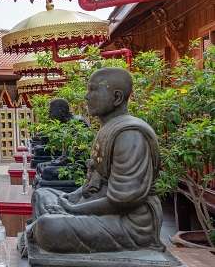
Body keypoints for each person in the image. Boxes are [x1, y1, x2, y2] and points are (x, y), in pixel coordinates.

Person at [26, 68, 163, 253]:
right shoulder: (109, 128)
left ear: (116, 97)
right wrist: (72, 198)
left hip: (130, 222)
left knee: (48, 227)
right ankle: (46, 227)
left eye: (93, 90)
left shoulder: (130, 135)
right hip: (99, 205)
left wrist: (75, 210)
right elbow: (96, 183)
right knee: (41, 195)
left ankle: (42, 229)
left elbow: (122, 201)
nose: (86, 96)